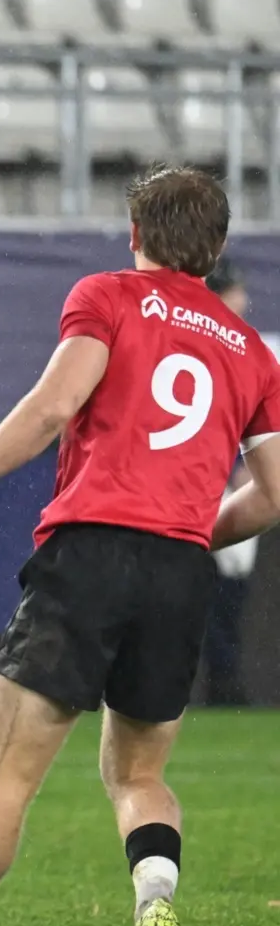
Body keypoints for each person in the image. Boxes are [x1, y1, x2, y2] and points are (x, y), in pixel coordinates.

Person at [0, 166, 280, 926]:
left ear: (135, 234)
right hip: (179, 570)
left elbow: (56, 404)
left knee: (10, 775)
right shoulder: (250, 350)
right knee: (139, 775)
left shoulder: (109, 296)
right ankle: (153, 907)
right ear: (218, 247)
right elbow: (274, 494)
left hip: (90, 553)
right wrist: (194, 531)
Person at [203, 258, 258, 706]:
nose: (246, 301)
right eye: (238, 290)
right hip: (210, 483)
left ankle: (226, 682)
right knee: (213, 592)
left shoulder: (242, 347)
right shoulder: (209, 342)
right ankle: (223, 685)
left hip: (239, 482)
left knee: (232, 590)